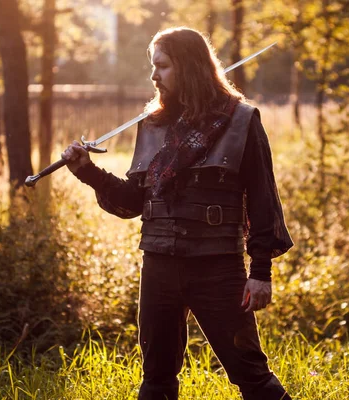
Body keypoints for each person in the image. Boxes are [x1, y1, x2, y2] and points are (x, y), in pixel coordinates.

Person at [62, 27, 294, 400]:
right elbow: (133, 202)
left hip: (218, 267)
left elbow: (264, 200)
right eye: (153, 67)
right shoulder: (153, 124)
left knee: (250, 373)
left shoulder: (241, 121)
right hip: (159, 268)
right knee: (156, 377)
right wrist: (86, 170)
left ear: (188, 66)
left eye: (163, 66)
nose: (154, 77)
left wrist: (261, 273)